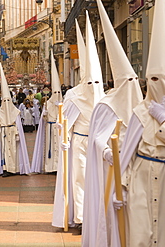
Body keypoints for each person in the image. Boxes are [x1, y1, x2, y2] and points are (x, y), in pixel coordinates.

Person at [119, 1, 165, 246]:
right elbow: (127, 149)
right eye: (151, 79)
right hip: (142, 181)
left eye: (160, 79)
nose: (154, 85)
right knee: (140, 234)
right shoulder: (139, 110)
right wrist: (122, 185)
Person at [82, 1, 143, 245]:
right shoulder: (106, 106)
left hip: (136, 172)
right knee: (112, 213)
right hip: (111, 171)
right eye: (128, 79)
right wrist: (107, 152)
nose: (132, 83)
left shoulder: (141, 105)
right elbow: (96, 138)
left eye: (135, 79)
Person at [52, 14, 105, 232]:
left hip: (101, 145)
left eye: (97, 82)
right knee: (81, 181)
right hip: (81, 143)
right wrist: (63, 138)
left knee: (100, 181)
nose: (93, 86)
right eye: (90, 82)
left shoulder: (105, 96)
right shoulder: (74, 96)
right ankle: (82, 218)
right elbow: (63, 122)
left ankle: (100, 217)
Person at [0, 63, 30, 177]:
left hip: (13, 133)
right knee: (4, 151)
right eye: (5, 101)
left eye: (9, 101)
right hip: (3, 132)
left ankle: (13, 168)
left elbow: (18, 123)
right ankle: (4, 168)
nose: (7, 104)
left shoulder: (15, 112)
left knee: (13, 151)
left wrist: (17, 134)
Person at [31, 52, 64, 174]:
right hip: (50, 128)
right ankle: (50, 167)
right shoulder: (47, 103)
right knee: (50, 147)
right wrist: (45, 111)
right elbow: (43, 118)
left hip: (60, 129)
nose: (56, 96)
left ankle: (59, 166)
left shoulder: (63, 103)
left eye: (58, 93)